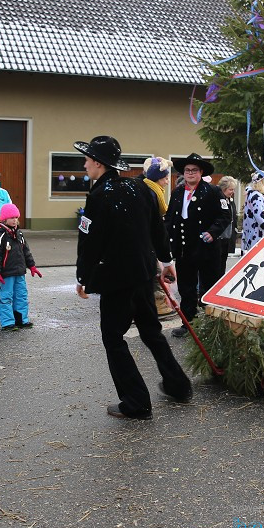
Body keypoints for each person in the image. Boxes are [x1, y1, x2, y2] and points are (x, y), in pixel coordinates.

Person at [74, 135, 192, 420]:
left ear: (99, 164)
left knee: (113, 337)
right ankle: (178, 386)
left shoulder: (99, 196)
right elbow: (158, 229)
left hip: (116, 279)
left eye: (88, 159)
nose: (85, 163)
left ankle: (136, 401)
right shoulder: (140, 188)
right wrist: (167, 260)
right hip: (142, 274)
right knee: (151, 330)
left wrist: (83, 277)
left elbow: (90, 241)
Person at [164, 153, 228, 338]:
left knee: (208, 287)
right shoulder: (177, 192)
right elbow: (170, 218)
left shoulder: (213, 191)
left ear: (201, 172)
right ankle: (188, 323)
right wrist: (163, 239)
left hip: (206, 249)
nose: (190, 173)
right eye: (187, 170)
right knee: (186, 288)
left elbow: (225, 216)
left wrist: (212, 232)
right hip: (184, 249)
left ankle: (210, 325)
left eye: (194, 170)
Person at [138, 156, 176, 320]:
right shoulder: (152, 195)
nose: (167, 182)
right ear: (157, 179)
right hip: (145, 245)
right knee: (154, 272)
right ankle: (158, 307)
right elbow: (157, 229)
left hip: (143, 244)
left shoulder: (149, 190)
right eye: (165, 178)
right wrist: (166, 259)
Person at [0, 203, 41, 330]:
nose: (14, 220)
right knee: (6, 297)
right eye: (11, 217)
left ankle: (21, 320)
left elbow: (26, 251)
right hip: (6, 274)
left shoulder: (19, 234)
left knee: (21, 295)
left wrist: (32, 265)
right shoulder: (1, 235)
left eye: (16, 217)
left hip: (19, 271)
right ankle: (8, 322)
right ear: (4, 219)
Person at [241, 171, 264, 252]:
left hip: (252, 232)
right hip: (257, 235)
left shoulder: (252, 194)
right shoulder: (257, 196)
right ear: (261, 181)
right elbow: (260, 216)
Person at [216, 175, 239, 269]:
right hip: (218, 236)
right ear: (224, 188)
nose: (232, 192)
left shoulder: (229, 200)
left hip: (226, 236)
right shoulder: (217, 199)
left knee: (222, 263)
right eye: (231, 189)